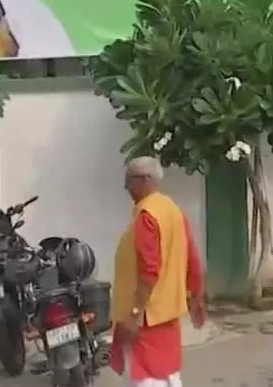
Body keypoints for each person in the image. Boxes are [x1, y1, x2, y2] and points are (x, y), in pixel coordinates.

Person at [110, 156, 206, 387]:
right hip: (167, 313)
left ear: (145, 180)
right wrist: (196, 296)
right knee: (168, 374)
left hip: (146, 317)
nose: (125, 187)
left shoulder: (147, 217)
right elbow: (191, 257)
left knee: (148, 378)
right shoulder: (172, 210)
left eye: (129, 180)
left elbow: (149, 271)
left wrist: (134, 314)